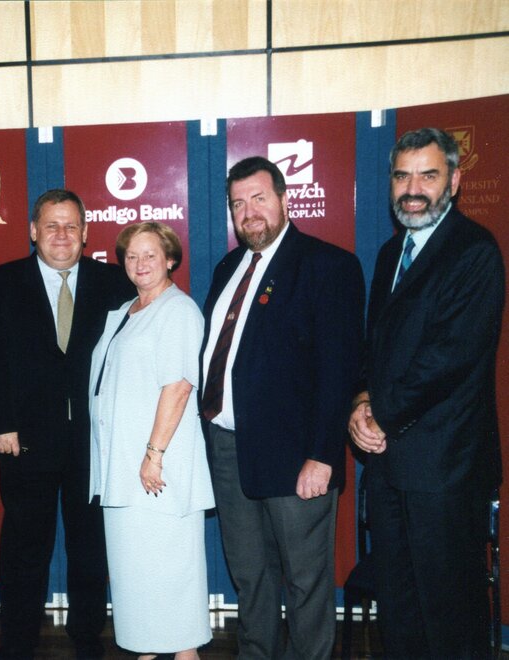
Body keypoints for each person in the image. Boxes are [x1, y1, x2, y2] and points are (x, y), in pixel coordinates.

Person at [348, 127, 504, 658]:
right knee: (401, 612)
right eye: (401, 175)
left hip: (446, 471)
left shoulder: (474, 252)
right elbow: (375, 349)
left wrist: (380, 415)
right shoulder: (392, 253)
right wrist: (359, 404)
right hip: (390, 467)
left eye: (428, 175)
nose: (412, 188)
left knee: (451, 616)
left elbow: (448, 359)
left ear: (455, 181)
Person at [200, 157, 364, 659]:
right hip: (229, 449)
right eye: (238, 203)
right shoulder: (229, 267)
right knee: (251, 577)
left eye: (259, 198)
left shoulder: (327, 265)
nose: (249, 212)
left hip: (297, 458)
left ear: (285, 199)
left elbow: (340, 372)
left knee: (305, 583)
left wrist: (323, 456)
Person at [0, 189, 134, 659]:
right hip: (23, 440)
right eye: (51, 226)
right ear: (32, 231)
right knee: (24, 550)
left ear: (85, 233)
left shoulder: (115, 284)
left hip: (94, 444)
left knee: (89, 549)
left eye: (70, 226)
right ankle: (17, 643)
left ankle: (87, 639)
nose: (60, 235)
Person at [89, 222, 214, 660]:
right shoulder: (126, 310)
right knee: (136, 574)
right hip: (122, 467)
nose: (140, 264)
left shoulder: (178, 311)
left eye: (151, 255)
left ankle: (184, 653)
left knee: (169, 570)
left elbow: (178, 386)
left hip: (157, 468)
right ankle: (145, 650)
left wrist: (153, 455)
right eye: (131, 256)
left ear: (171, 259)